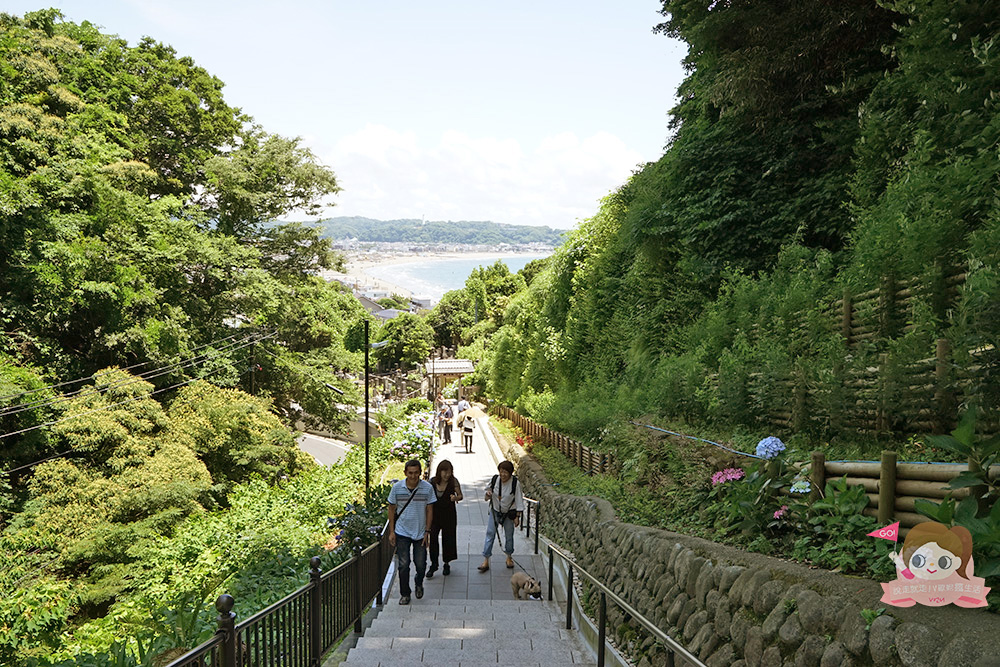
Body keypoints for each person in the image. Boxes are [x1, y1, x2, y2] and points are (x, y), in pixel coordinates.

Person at [387, 459, 435, 604]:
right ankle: (405, 594)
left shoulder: (427, 488)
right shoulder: (397, 488)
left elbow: (430, 509)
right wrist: (391, 531)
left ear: (420, 473)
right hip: (402, 532)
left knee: (420, 564)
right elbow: (391, 508)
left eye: (416, 473)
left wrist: (427, 531)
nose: (413, 476)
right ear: (405, 473)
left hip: (420, 532)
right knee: (403, 564)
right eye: (410, 473)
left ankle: (418, 583)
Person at [479, 460, 524, 572]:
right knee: (490, 534)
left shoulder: (515, 483)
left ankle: (509, 557)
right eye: (501, 471)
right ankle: (486, 559)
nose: (503, 474)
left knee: (509, 536)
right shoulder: (495, 480)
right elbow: (487, 493)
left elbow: (519, 499)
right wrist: (488, 494)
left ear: (510, 473)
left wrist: (517, 516)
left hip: (509, 514)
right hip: (495, 511)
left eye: (506, 472)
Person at [426, 459, 463, 578]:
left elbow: (460, 496)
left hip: (449, 515)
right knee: (433, 539)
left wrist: (455, 498)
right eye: (444, 472)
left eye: (449, 472)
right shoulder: (432, 482)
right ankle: (434, 564)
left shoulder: (453, 481)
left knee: (448, 539)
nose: (447, 475)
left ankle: (446, 563)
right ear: (439, 471)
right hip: (435, 516)